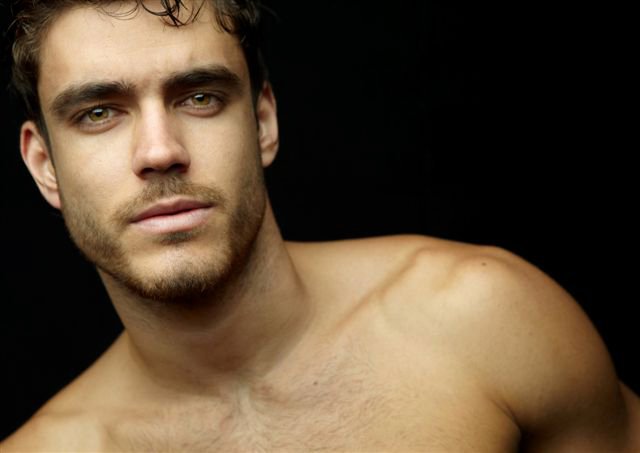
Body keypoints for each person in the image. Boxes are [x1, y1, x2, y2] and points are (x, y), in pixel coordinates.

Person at [1, 0, 638, 451]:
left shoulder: (482, 319)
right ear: (44, 166)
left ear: (263, 123)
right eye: (98, 113)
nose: (160, 151)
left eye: (200, 97)